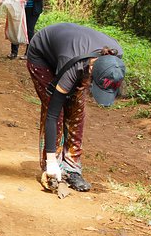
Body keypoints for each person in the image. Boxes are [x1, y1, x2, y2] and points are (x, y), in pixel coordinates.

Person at [27, 23, 126, 192]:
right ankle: (52, 168)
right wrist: (51, 162)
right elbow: (52, 114)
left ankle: (72, 169)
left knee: (77, 110)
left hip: (73, 52)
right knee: (57, 110)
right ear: (92, 69)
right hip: (42, 56)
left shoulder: (114, 60)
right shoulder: (72, 65)